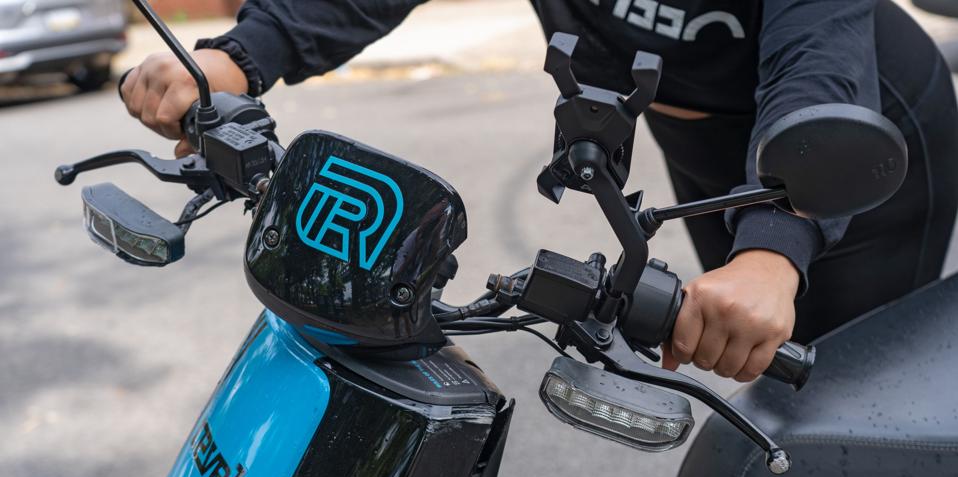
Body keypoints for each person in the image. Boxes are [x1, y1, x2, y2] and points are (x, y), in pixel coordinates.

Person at [120, 0, 958, 382]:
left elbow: (821, 50)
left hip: (850, 141)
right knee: (759, 389)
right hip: (707, 147)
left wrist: (774, 247)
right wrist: (241, 56)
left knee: (847, 418)